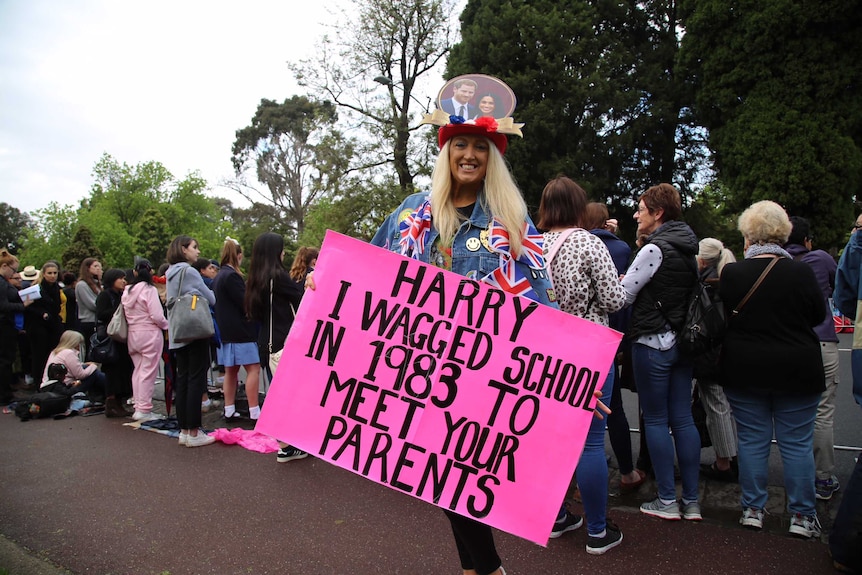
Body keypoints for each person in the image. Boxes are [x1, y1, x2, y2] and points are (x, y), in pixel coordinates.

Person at [369, 107, 555, 575]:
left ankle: (487, 569)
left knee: (457, 475)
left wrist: (574, 371)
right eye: (460, 145)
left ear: (492, 159)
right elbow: (366, 270)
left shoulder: (509, 220)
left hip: (481, 374)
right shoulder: (412, 212)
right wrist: (321, 283)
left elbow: (538, 302)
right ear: (446, 152)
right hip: (417, 369)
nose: (469, 155)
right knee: (442, 477)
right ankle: (479, 569)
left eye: (479, 148)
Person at [719, 200, 825, 537]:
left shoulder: (733, 274)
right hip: (798, 367)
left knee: (751, 439)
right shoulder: (802, 271)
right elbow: (818, 316)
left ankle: (752, 509)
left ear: (748, 235)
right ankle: (802, 517)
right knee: (796, 443)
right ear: (783, 233)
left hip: (745, 367)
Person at [538, 177, 626, 555]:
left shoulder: (528, 245)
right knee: (590, 441)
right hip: (589, 349)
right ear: (579, 206)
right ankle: (598, 531)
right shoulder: (588, 242)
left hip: (543, 352)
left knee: (551, 439)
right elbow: (613, 299)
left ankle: (556, 517)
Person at [621, 183, 702, 522]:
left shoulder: (654, 249)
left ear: (658, 213)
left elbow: (624, 294)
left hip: (652, 342)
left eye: (641, 209)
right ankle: (693, 501)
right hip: (683, 343)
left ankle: (667, 499)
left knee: (654, 420)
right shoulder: (687, 247)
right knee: (683, 419)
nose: (636, 215)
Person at [582, 202, 645, 492]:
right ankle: (627, 471)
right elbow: (615, 299)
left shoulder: (567, 243)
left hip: (571, 336)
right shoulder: (619, 248)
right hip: (606, 334)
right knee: (612, 407)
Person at [783, 216, 841, 501]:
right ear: (807, 240)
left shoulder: (778, 263)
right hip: (821, 340)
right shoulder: (819, 259)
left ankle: (796, 477)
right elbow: (839, 286)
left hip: (787, 343)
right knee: (822, 411)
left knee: (789, 414)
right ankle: (822, 478)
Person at [245, 232, 305, 460]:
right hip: (282, 342)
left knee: (278, 394)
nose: (284, 252)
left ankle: (285, 443)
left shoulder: (256, 278)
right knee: (288, 395)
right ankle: (287, 445)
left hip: (266, 342)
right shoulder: (277, 277)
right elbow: (301, 299)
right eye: (281, 249)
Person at [694, 238, 739, 481]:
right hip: (728, 350)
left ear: (702, 260)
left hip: (710, 352)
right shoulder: (727, 281)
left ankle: (724, 462)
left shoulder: (707, 284)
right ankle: (731, 456)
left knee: (715, 404)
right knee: (725, 406)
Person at [166, 235, 217, 447]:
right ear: (183, 250)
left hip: (178, 330)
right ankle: (195, 432)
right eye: (194, 247)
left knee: (183, 378)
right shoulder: (189, 271)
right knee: (197, 378)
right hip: (195, 329)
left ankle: (185, 430)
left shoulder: (170, 273)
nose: (197, 251)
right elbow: (211, 298)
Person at [212, 237, 261, 421]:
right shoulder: (233, 277)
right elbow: (245, 303)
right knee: (253, 369)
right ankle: (254, 410)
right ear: (238, 256)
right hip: (241, 331)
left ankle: (229, 408)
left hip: (226, 331)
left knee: (230, 371)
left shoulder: (219, 276)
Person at [122, 259, 169, 421]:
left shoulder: (127, 291)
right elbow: (156, 315)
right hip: (150, 333)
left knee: (138, 370)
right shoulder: (149, 290)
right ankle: (144, 409)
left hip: (133, 333)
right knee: (149, 371)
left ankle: (138, 405)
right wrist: (166, 325)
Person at [95, 268, 134, 411]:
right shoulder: (105, 295)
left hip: (121, 338)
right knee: (113, 371)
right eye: (120, 278)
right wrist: (119, 310)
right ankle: (112, 402)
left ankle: (120, 400)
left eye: (124, 278)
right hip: (111, 337)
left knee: (124, 369)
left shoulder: (122, 294)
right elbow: (101, 314)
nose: (124, 281)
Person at [24, 261, 65, 387]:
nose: (53, 275)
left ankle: (50, 381)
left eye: (55, 273)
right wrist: (42, 313)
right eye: (50, 273)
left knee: (52, 354)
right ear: (44, 274)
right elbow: (28, 307)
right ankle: (38, 382)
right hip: (38, 326)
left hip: (53, 324)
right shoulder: (37, 287)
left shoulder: (57, 288)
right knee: (39, 355)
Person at [0, 249, 33, 404]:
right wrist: (23, 305)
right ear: (5, 266)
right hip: (4, 325)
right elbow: (3, 306)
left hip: (7, 324)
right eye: (13, 270)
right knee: (5, 360)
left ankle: (6, 390)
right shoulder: (1, 283)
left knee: (7, 359)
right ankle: (4, 394)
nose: (15, 273)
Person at [41, 330, 107, 398]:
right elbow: (81, 375)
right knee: (94, 373)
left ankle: (105, 392)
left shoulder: (55, 352)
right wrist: (93, 365)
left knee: (87, 368)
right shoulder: (68, 353)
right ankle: (111, 390)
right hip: (65, 388)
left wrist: (86, 365)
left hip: (49, 386)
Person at [75, 258, 102, 345]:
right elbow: (92, 304)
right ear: (87, 268)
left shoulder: (96, 284)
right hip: (89, 320)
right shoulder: (82, 285)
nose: (98, 268)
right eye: (95, 266)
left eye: (99, 266)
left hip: (98, 321)